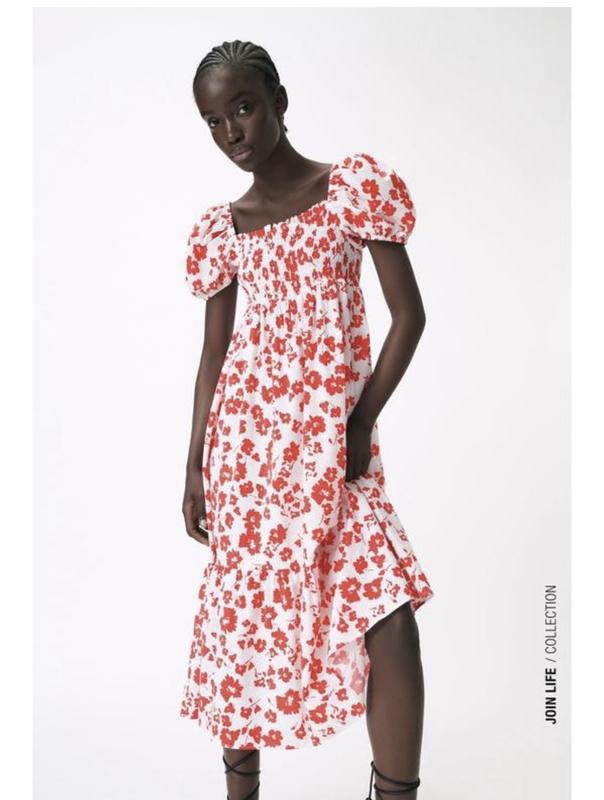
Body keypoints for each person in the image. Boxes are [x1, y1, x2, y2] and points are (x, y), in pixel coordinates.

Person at [179, 39, 435, 800]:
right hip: (247, 455)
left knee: (388, 615)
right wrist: (194, 464)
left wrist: (359, 423)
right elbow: (215, 355)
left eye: (244, 108)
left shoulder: (349, 188)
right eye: (214, 121)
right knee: (242, 620)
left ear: (279, 101)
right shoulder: (224, 228)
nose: (232, 132)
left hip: (332, 446)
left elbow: (410, 317)